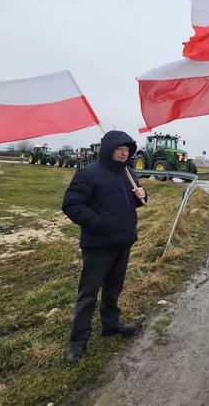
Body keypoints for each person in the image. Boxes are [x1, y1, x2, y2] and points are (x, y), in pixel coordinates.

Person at [61, 130, 147, 365]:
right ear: (108, 149)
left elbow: (135, 203)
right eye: (120, 148)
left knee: (113, 288)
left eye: (127, 149)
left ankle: (111, 324)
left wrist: (142, 195)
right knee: (88, 294)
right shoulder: (88, 174)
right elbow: (71, 205)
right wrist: (100, 224)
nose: (124, 152)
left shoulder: (128, 173)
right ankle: (78, 342)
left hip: (123, 243)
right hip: (99, 246)